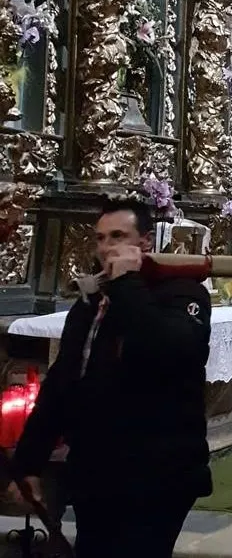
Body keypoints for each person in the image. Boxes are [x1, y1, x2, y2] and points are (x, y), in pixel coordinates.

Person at [7, 198, 212, 558]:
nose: (106, 247)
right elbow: (62, 385)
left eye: (118, 236)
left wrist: (127, 283)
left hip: (157, 474)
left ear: (145, 242)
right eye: (101, 238)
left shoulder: (182, 293)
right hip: (97, 472)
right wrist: (28, 463)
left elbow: (167, 348)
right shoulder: (91, 302)